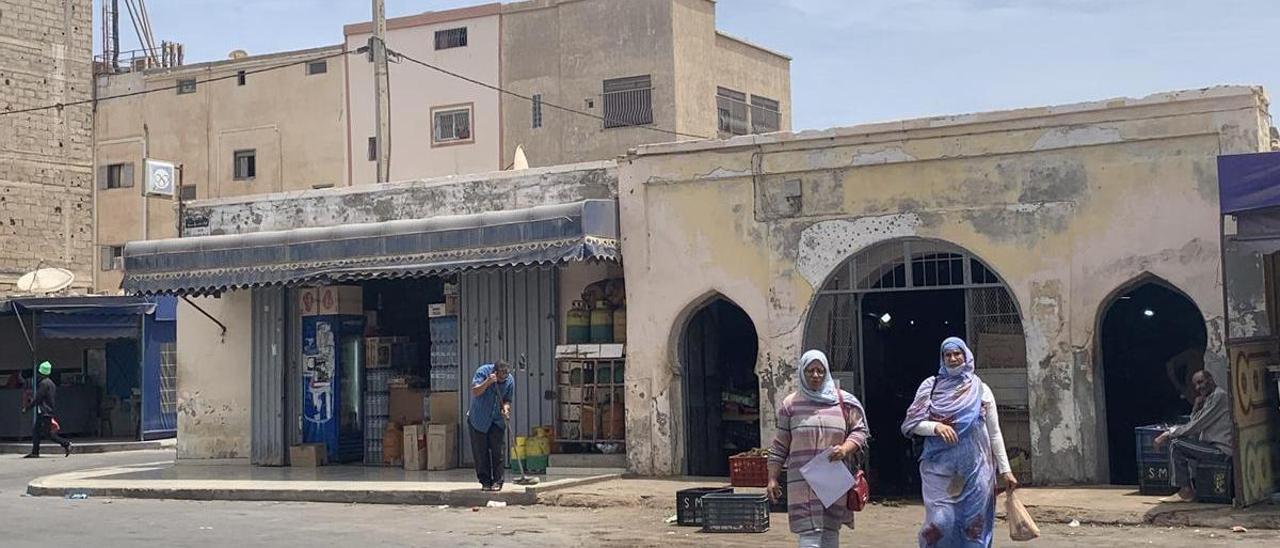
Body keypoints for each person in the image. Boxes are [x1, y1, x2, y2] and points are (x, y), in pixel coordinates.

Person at [901, 337, 1017, 548]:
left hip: (976, 471)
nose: (953, 359)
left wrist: (1005, 470)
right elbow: (912, 423)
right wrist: (936, 427)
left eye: (957, 354)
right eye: (948, 355)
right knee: (940, 522)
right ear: (942, 358)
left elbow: (994, 433)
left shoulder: (981, 389)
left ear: (966, 356)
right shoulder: (931, 386)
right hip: (939, 470)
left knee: (974, 528)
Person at [766, 350, 869, 548]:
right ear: (802, 373)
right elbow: (780, 445)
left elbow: (860, 431)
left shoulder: (843, 402)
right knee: (809, 536)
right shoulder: (790, 405)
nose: (815, 375)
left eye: (820, 371)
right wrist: (772, 478)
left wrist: (845, 449)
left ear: (827, 372)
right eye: (810, 371)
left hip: (832, 480)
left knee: (830, 532)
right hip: (802, 482)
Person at [1154, 370, 1232, 503]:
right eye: (1196, 384)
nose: (1198, 387)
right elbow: (1194, 423)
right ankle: (1185, 488)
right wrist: (1196, 406)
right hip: (1210, 447)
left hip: (1221, 450)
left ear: (1211, 379)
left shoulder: (1220, 397)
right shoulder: (1209, 399)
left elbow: (1197, 426)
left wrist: (1168, 433)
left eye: (1201, 382)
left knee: (1176, 443)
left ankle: (1185, 490)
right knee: (1179, 442)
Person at [467, 359, 514, 492]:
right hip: (479, 419)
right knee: (481, 453)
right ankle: (485, 482)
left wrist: (506, 409)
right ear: (494, 372)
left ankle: (498, 481)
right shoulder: (482, 372)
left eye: (504, 378)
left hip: (497, 421)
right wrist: (488, 382)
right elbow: (475, 391)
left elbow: (507, 400)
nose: (502, 381)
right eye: (500, 378)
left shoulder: (510, 380)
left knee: (498, 451)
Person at [22, 361, 72, 458]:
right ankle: (35, 452)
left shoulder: (44, 384)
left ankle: (66, 444)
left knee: (48, 434)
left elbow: (38, 398)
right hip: (47, 411)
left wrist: (28, 407)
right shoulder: (51, 383)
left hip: (44, 411)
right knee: (36, 431)